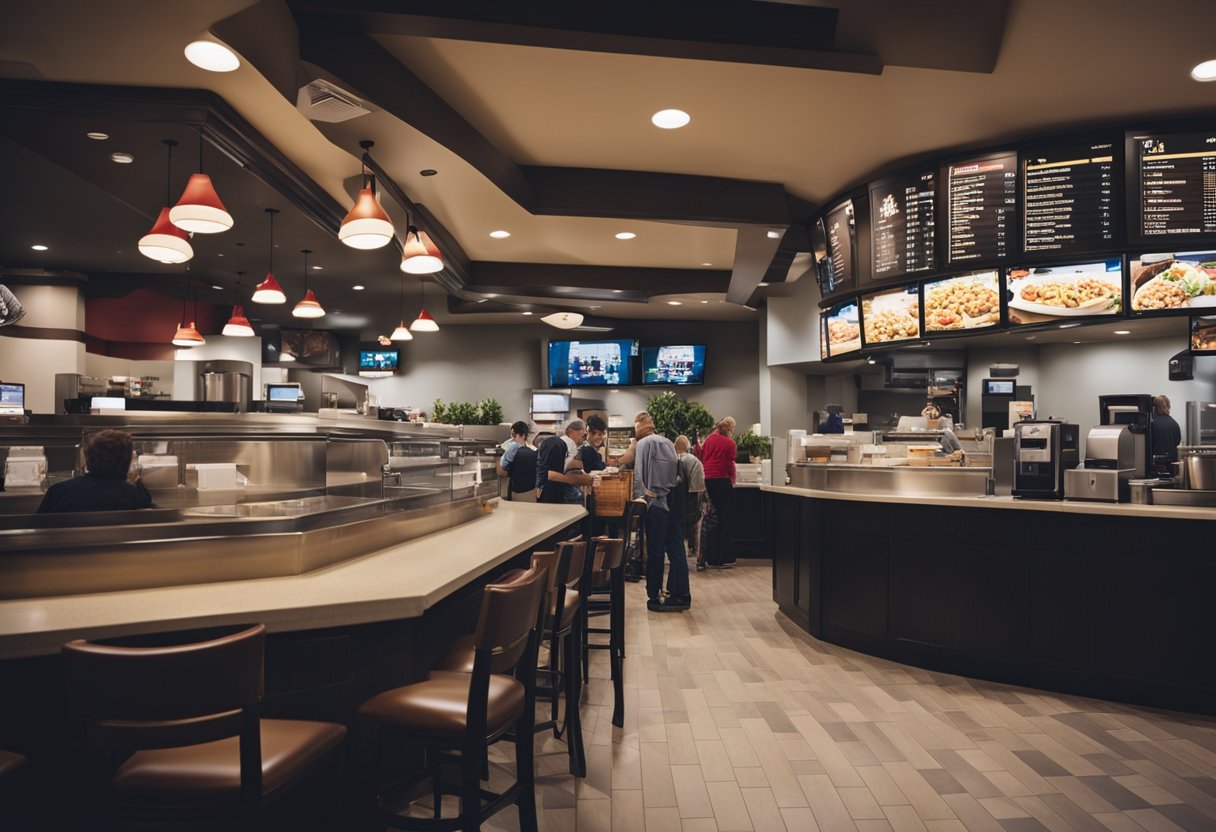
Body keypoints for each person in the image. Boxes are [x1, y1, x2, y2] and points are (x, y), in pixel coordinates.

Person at [632, 411, 690, 612]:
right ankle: (681, 594)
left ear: (640, 425)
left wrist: (639, 499)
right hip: (673, 500)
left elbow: (639, 476)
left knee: (655, 551)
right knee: (676, 547)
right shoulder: (667, 442)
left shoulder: (642, 444)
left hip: (655, 503)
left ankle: (654, 595)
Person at [37, 429, 154, 513]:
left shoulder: (59, 492)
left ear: (88, 457)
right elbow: (147, 503)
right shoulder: (134, 495)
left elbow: (38, 526)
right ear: (126, 463)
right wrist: (135, 478)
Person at [700, 416, 737, 569]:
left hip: (708, 480)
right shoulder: (730, 443)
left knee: (711, 519)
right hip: (722, 481)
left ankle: (709, 555)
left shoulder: (708, 439)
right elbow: (730, 465)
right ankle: (722, 557)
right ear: (729, 429)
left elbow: (703, 458)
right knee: (724, 518)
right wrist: (732, 481)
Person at [536, 419, 594, 504]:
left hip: (556, 494)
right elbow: (550, 474)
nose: (581, 438)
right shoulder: (560, 445)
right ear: (570, 431)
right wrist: (577, 479)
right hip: (555, 496)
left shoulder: (563, 444)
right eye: (579, 434)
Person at [674, 435, 707, 570]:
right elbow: (698, 487)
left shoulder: (671, 459)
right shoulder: (694, 461)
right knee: (698, 529)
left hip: (673, 504)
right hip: (690, 505)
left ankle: (676, 560)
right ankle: (699, 560)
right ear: (688, 447)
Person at [498, 420, 538, 502]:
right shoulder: (533, 450)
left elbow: (502, 471)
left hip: (519, 492)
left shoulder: (513, 449)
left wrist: (497, 460)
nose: (512, 438)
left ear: (523, 435)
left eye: (514, 435)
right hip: (531, 491)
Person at [1151, 394, 1182, 466]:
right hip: (1171, 464)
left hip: (1155, 465)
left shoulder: (1151, 422)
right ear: (1168, 406)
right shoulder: (1174, 423)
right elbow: (1177, 442)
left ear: (1154, 407)